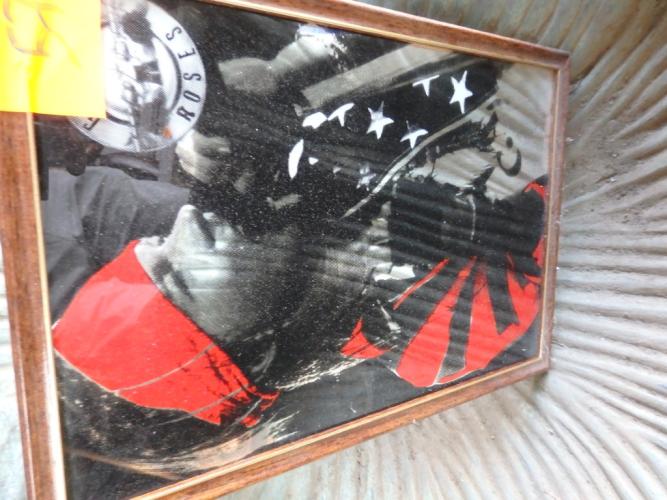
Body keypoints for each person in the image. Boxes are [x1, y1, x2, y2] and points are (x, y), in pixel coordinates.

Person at [39, 1, 546, 497]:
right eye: (177, 277)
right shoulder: (452, 327)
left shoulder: (264, 201)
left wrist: (282, 73)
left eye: (156, 242)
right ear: (259, 353)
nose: (184, 221)